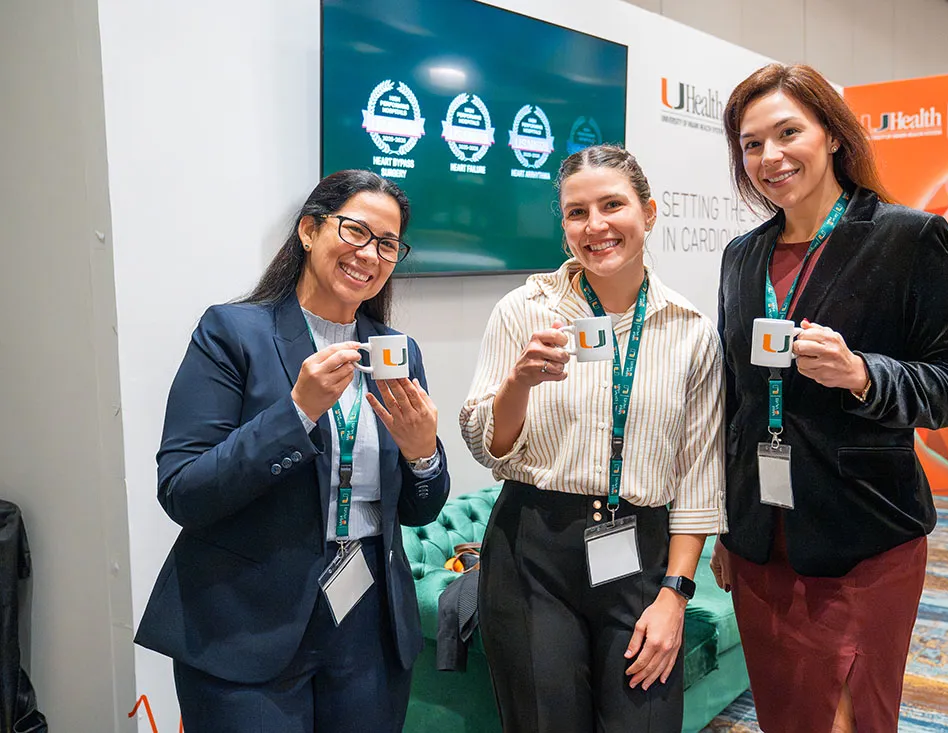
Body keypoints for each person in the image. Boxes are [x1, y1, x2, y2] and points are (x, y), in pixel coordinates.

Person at [709, 64, 948, 732]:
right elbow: (736, 401)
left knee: (849, 718)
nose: (770, 157)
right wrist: (725, 525)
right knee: (784, 714)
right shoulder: (741, 256)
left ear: (832, 134)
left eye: (788, 132)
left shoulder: (908, 237)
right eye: (751, 144)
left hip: (862, 534)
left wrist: (863, 374)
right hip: (760, 536)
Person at [135, 170, 449, 732]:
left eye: (387, 244)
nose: (369, 255)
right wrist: (297, 411)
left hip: (367, 620)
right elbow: (184, 490)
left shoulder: (395, 352)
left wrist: (423, 455)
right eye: (355, 231)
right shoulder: (232, 333)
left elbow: (419, 508)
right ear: (309, 230)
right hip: (246, 623)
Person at [460, 144, 726, 732]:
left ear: (648, 212)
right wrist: (518, 384)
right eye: (576, 213)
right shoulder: (522, 311)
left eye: (612, 205)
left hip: (640, 552)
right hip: (533, 549)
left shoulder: (689, 330)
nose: (595, 226)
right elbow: (485, 445)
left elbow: (700, 475)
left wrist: (675, 594)